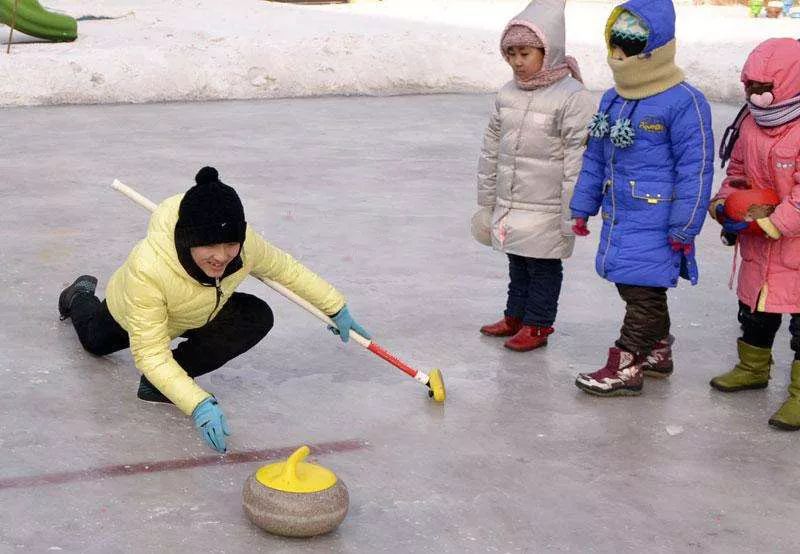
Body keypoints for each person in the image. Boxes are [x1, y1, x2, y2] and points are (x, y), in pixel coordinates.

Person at [58, 167, 370, 452]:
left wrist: (335, 307)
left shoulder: (244, 247)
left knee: (255, 316)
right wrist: (198, 404)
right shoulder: (148, 269)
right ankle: (80, 294)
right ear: (188, 239)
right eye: (209, 245)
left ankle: (160, 385)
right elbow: (150, 354)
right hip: (128, 315)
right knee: (93, 342)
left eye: (230, 244)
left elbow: (286, 269)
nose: (221, 257)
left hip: (200, 311)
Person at [569, 0, 714, 396]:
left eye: (628, 49)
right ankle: (658, 349)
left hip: (659, 219)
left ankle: (628, 361)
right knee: (633, 283)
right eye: (614, 47)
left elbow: (696, 171)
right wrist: (583, 206)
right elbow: (595, 156)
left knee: (641, 291)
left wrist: (685, 226)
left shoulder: (685, 101)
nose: (619, 57)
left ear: (656, 49)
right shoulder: (614, 99)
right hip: (621, 214)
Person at [474, 0, 595, 352]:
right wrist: (487, 198)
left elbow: (579, 157)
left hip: (547, 202)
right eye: (510, 53)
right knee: (518, 259)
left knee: (542, 266)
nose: (517, 62)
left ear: (548, 50)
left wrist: (573, 210)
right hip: (513, 200)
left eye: (525, 53)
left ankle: (538, 324)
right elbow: (491, 148)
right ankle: (515, 315)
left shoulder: (572, 96)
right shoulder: (507, 93)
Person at [709, 38, 800, 431]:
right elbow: (737, 173)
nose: (759, 97)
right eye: (752, 88)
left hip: (792, 244)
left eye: (767, 89)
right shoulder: (749, 122)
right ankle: (752, 367)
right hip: (757, 243)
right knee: (755, 309)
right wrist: (725, 204)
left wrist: (776, 222)